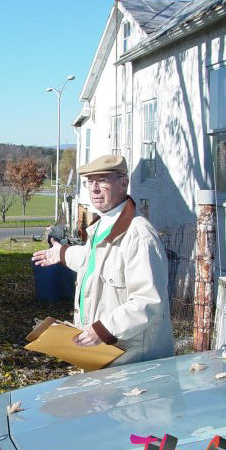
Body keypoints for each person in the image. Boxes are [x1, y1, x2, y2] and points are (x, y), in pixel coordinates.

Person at [32, 154, 174, 366]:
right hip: (101, 355)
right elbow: (92, 260)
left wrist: (104, 328)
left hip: (134, 361)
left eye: (102, 181)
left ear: (123, 183)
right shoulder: (101, 226)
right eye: (90, 182)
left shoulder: (139, 235)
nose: (94, 189)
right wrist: (61, 253)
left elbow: (148, 300)